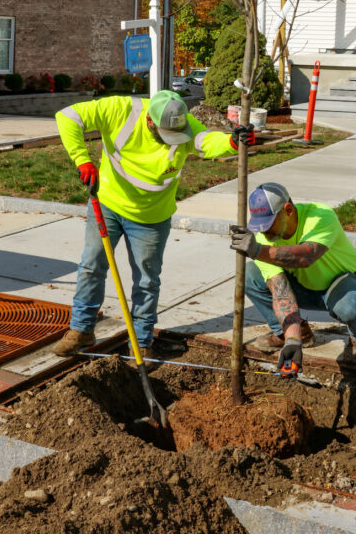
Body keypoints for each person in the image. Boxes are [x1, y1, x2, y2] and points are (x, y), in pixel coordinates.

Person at [54, 89, 254, 355]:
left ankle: (141, 342)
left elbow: (206, 141)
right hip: (108, 205)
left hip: (151, 218)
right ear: (150, 120)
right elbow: (67, 116)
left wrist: (232, 142)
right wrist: (82, 159)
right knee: (91, 266)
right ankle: (82, 329)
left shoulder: (183, 124)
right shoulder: (120, 110)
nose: (172, 139)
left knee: (146, 281)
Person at [230, 181, 356, 372]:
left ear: (288, 210)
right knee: (250, 275)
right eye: (260, 226)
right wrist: (292, 340)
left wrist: (257, 250)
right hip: (304, 289)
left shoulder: (320, 215)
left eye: (269, 224)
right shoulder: (264, 238)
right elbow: (281, 293)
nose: (264, 231)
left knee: (349, 307)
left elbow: (306, 256)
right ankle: (292, 333)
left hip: (344, 285)